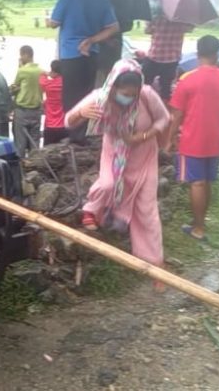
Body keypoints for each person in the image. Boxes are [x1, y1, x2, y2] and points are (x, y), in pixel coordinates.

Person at [65, 59, 169, 292]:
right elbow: (68, 121)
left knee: (147, 210)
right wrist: (81, 113)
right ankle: (91, 210)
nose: (129, 99)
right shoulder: (100, 97)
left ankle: (156, 265)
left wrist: (142, 136)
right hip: (114, 153)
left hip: (143, 157)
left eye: (133, 94)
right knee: (108, 185)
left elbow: (164, 119)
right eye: (124, 94)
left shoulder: (147, 95)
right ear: (113, 87)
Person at [167, 36, 219, 242]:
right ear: (217, 54)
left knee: (197, 183)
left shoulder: (187, 79)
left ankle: (198, 228)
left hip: (192, 138)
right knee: (207, 182)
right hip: (214, 138)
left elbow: (177, 114)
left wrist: (170, 139)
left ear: (197, 54)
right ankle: (201, 221)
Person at [47, 0, 119, 144]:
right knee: (86, 93)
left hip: (71, 52)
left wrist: (48, 19)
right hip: (91, 52)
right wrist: (92, 39)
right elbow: (113, 27)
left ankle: (73, 135)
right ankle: (83, 133)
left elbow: (54, 23)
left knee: (70, 95)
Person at [143, 16, 195, 101]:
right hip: (172, 59)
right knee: (166, 89)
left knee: (145, 84)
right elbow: (190, 29)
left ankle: (143, 104)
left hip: (155, 56)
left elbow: (147, 31)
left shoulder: (156, 16)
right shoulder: (181, 19)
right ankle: (164, 109)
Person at [10, 46, 44, 158]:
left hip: (22, 111)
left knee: (20, 144)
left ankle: (20, 171)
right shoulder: (41, 71)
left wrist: (20, 67)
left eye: (21, 55)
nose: (20, 57)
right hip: (37, 111)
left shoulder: (22, 71)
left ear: (26, 55)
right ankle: (35, 169)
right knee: (35, 143)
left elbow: (15, 87)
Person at [39, 60, 66, 146]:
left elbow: (41, 77)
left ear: (52, 70)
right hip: (63, 125)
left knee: (47, 153)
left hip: (50, 125)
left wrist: (47, 74)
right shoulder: (65, 84)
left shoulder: (48, 84)